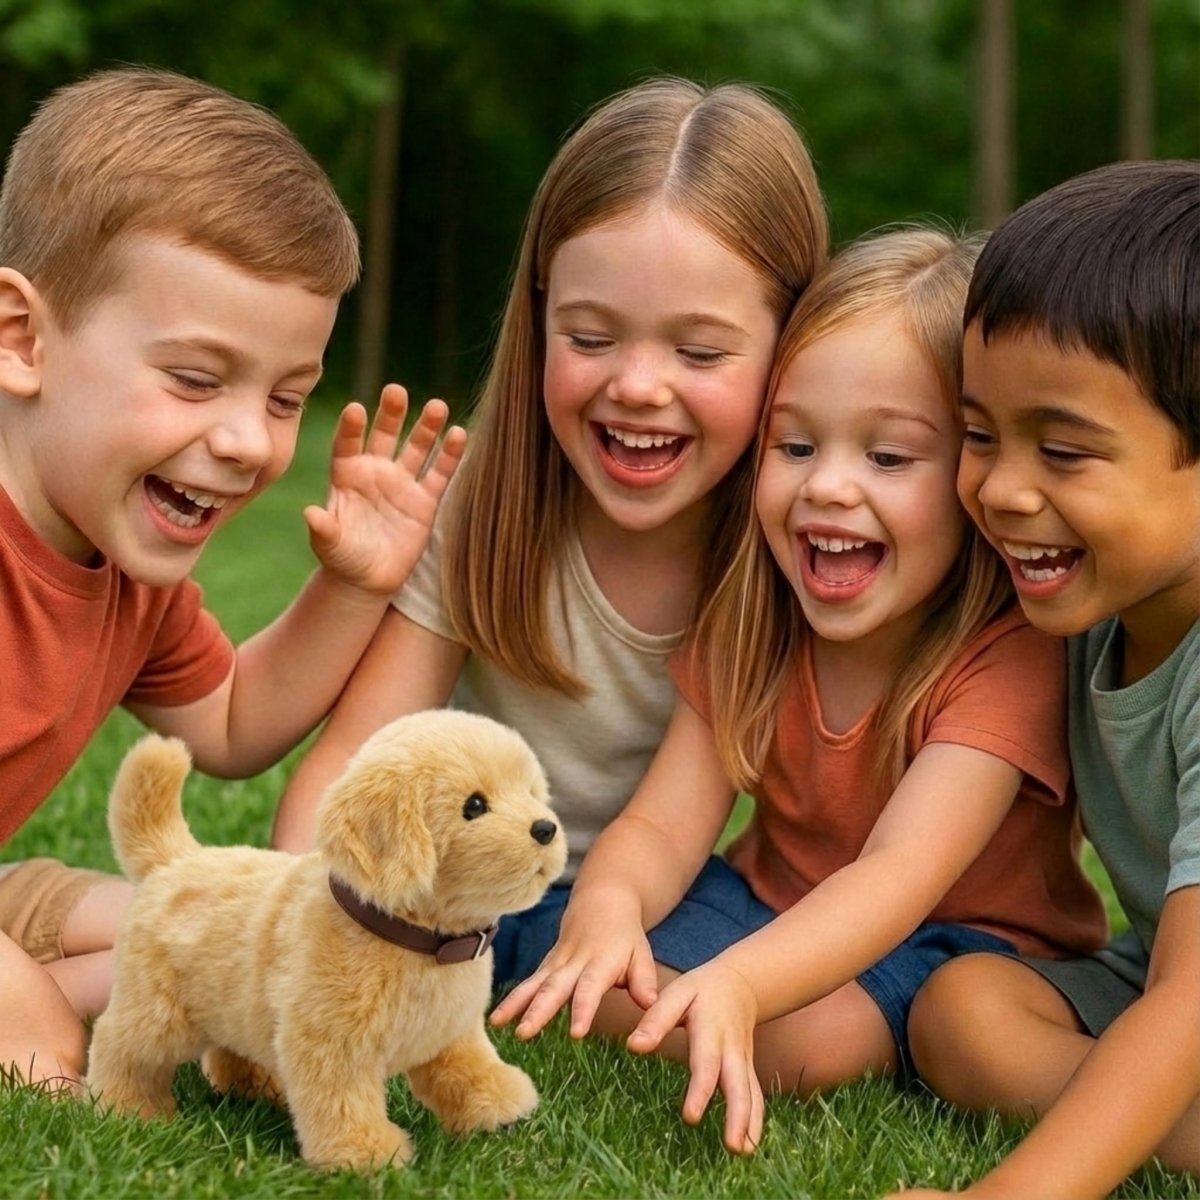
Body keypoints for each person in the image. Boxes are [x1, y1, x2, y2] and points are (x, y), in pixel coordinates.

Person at [492, 228, 1107, 1155]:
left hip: (950, 941)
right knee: (599, 935)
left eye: (889, 458)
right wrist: (609, 908)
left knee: (812, 1044)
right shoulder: (757, 618)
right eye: (795, 445)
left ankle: (583, 973)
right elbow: (662, 827)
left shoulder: (1006, 655)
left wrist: (740, 985)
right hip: (761, 903)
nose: (828, 487)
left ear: (973, 476)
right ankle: (562, 956)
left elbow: (895, 876)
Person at [269, 77, 829, 991]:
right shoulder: (484, 507)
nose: (638, 386)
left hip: (646, 892)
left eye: (698, 352)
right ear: (538, 319)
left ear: (791, 344)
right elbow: (358, 757)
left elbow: (673, 827)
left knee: (802, 1028)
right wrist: (295, 928)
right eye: (591, 338)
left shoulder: (780, 553)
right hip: (453, 886)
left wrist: (611, 923)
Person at [0, 68, 465, 1092]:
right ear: (24, 339)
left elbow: (231, 725)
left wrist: (354, 587)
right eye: (196, 380)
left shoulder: (128, 578)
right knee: (37, 1039)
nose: (249, 441)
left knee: (229, 931)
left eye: (286, 398)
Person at [890, 161, 1200, 1199]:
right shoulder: (1086, 602)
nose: (1002, 490)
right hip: (1162, 981)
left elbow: (1189, 1002)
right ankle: (1155, 1115)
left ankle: (1137, 1109)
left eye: (1063, 452)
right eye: (980, 437)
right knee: (960, 1012)